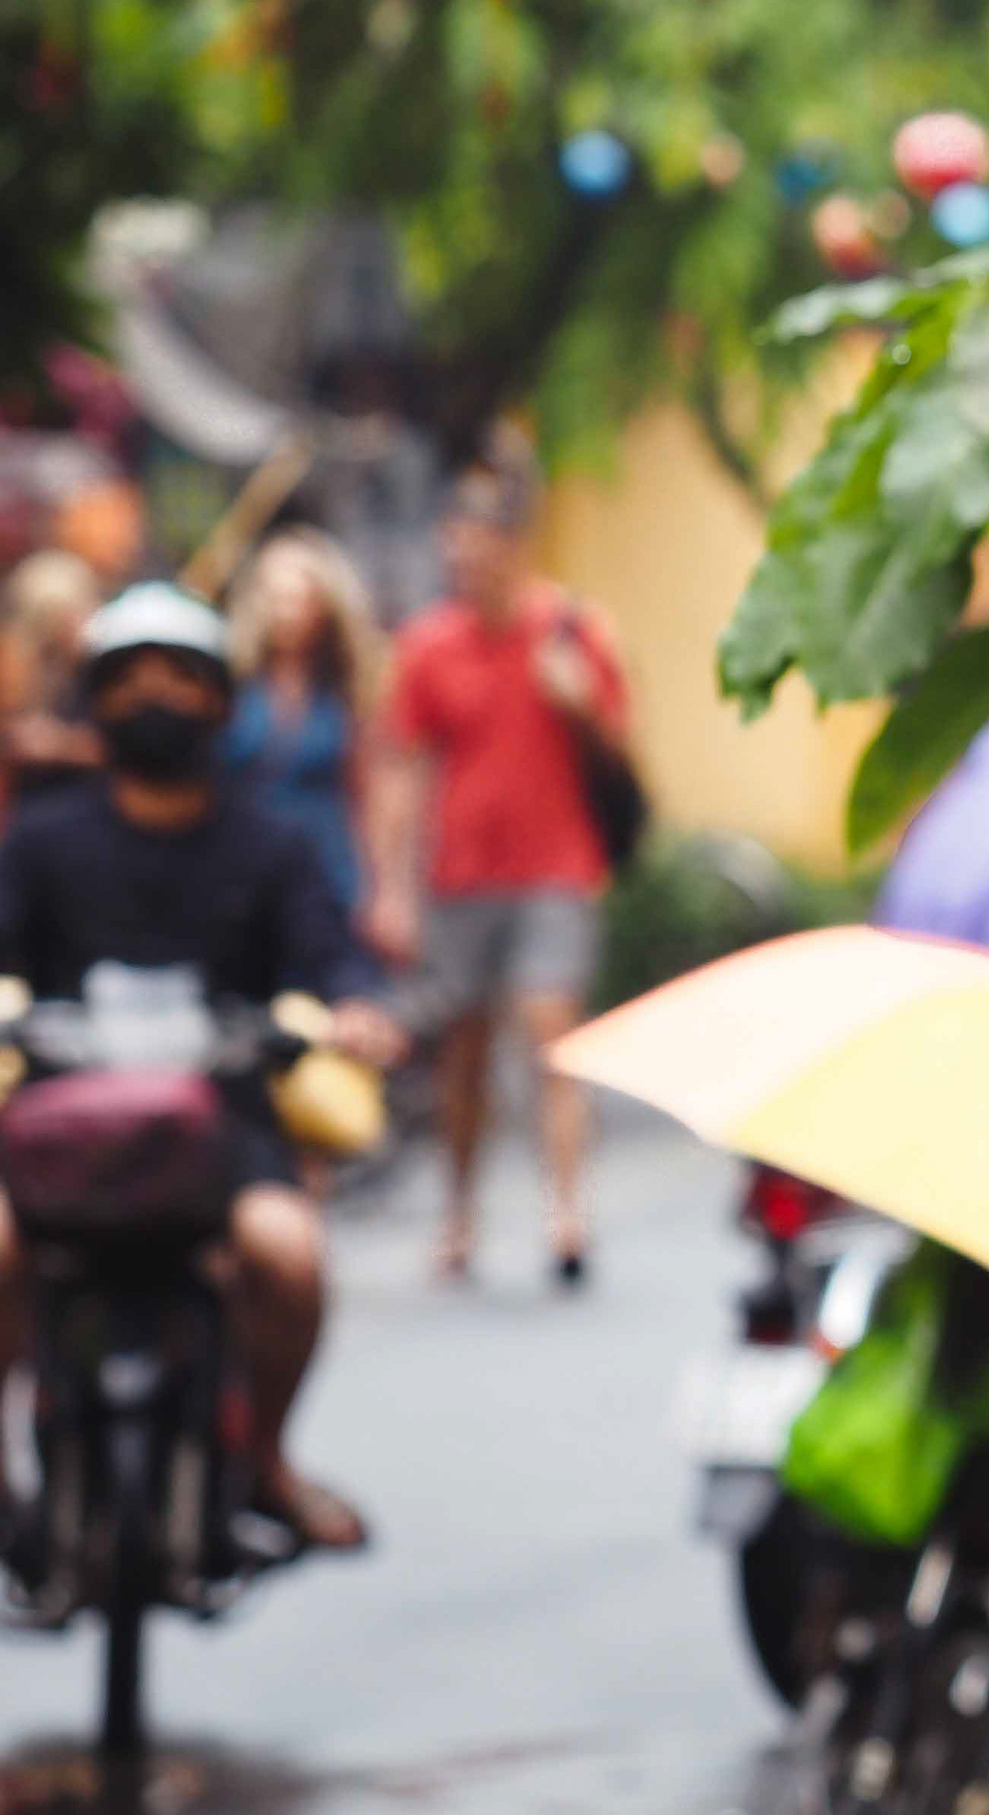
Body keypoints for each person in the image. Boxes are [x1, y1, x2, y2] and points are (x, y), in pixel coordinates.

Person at [0, 584, 407, 1551]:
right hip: (57, 1138)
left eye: (178, 678)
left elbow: (335, 956)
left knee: (292, 1257)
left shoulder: (271, 844)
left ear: (221, 702)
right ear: (95, 702)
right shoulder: (42, 843)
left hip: (225, 1135)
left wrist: (359, 1012)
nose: (155, 697)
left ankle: (264, 1457)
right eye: (130, 679)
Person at [364, 467, 630, 1288]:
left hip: (556, 868)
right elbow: (400, 771)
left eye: (478, 554)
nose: (464, 570)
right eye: (455, 557)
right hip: (461, 876)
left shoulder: (573, 632)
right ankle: (461, 1214)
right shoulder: (425, 646)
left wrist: (579, 703)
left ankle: (566, 1214)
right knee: (464, 1055)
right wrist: (393, 887)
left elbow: (627, 756)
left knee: (555, 1039)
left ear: (514, 549)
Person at [223, 529, 389, 926]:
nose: (287, 612)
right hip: (243, 857)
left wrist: (380, 886)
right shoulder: (234, 680)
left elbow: (370, 790)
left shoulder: (347, 685)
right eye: (276, 597)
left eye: (300, 598)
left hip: (326, 861)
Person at [0, 550, 102, 819]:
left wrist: (61, 745)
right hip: (28, 804)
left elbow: (123, 747)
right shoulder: (18, 659)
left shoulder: (100, 668)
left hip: (84, 802)